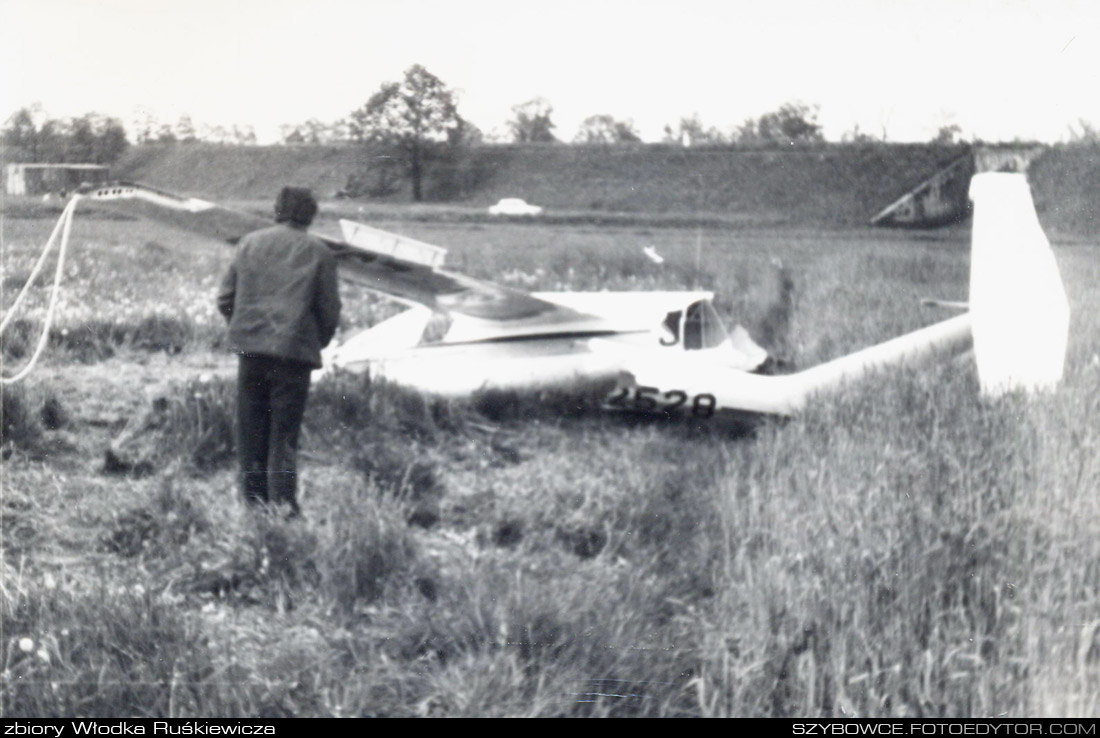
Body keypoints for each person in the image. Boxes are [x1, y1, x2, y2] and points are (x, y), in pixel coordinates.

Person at [216, 186, 341, 517]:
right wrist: (313, 340)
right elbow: (329, 312)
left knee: (250, 429)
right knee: (283, 433)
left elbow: (225, 299)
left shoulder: (249, 243)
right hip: (294, 355)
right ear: (309, 215)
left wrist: (245, 327)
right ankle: (283, 506)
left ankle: (252, 505)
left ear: (277, 210)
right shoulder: (320, 252)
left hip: (251, 352)